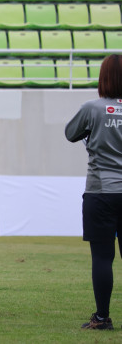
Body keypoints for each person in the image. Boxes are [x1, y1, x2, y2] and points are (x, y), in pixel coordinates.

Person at [65, 54, 122, 330]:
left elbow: (69, 132)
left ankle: (102, 317)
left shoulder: (93, 108)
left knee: (103, 257)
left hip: (101, 191)